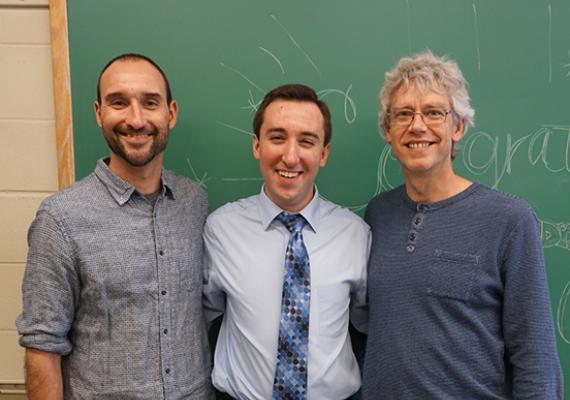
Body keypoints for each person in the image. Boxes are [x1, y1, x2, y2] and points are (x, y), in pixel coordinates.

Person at [362, 50, 563, 399]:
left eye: (434, 113)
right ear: (388, 130)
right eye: (404, 114)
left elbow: (536, 357)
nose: (418, 125)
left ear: (458, 127)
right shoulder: (377, 215)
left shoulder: (509, 220)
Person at [16, 53, 213, 400]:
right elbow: (42, 344)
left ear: (171, 113)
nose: (136, 119)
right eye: (119, 102)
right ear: (98, 112)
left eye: (150, 103)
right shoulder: (60, 219)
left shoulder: (194, 203)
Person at [203, 83, 370, 400]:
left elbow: (368, 323)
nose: (290, 156)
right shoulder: (220, 230)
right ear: (256, 146)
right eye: (277, 138)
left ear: (323, 154)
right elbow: (197, 318)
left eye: (306, 141)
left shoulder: (356, 235)